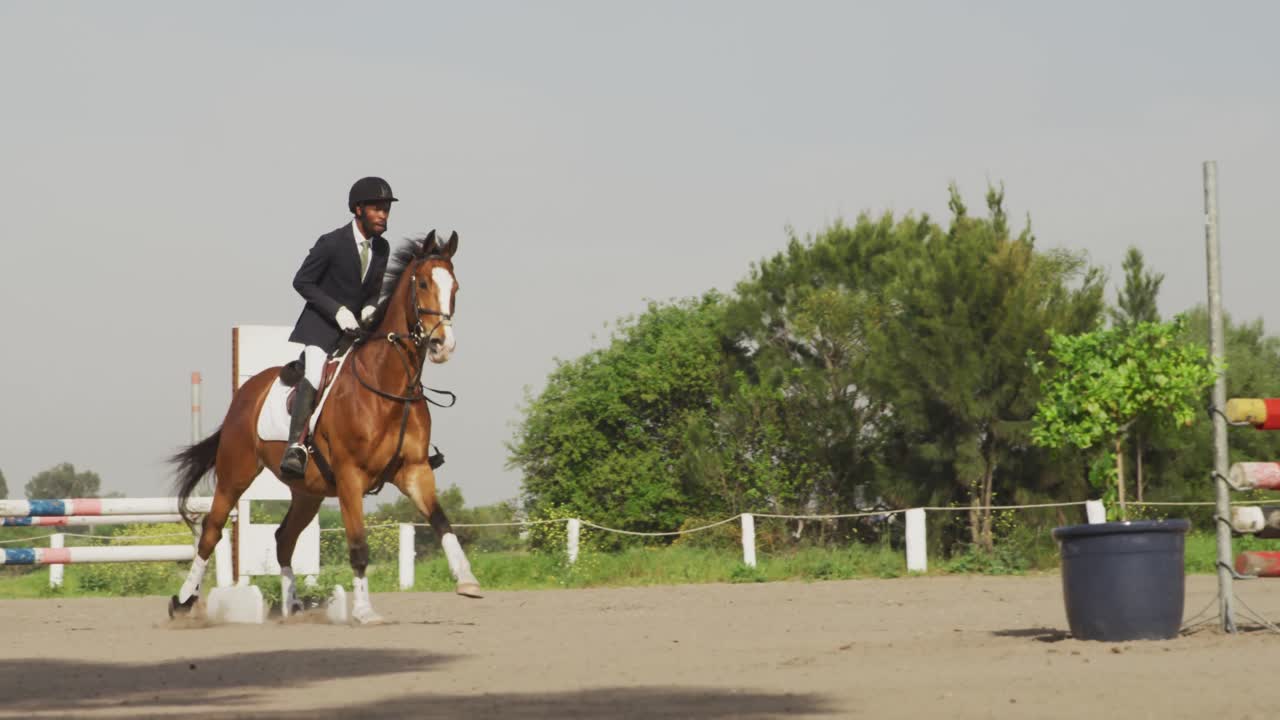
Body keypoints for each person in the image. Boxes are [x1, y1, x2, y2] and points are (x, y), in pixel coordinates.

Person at [280, 177, 395, 477]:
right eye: (377, 209)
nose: (383, 214)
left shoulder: (382, 248)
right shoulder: (331, 243)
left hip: (354, 330)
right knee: (316, 373)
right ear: (358, 209)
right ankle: (296, 446)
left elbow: (372, 290)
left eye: (386, 209)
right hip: (321, 326)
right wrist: (337, 310)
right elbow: (302, 281)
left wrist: (371, 307)